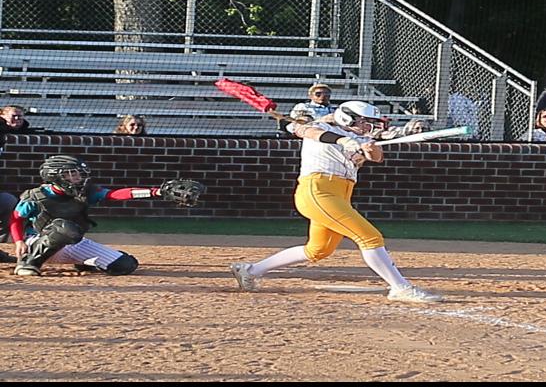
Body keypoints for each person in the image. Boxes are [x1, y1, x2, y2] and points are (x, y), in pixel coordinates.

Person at [227, 100, 443, 304]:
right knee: (369, 237)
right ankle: (400, 287)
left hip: (340, 194)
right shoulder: (321, 127)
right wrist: (343, 141)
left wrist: (368, 148)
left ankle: (250, 270)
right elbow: (310, 132)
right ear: (348, 119)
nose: (369, 127)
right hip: (318, 191)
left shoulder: (358, 137)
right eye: (364, 123)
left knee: (318, 250)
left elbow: (376, 157)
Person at [5, 155, 197, 276]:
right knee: (65, 228)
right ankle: (30, 264)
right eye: (71, 174)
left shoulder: (84, 191)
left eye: (78, 174)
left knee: (124, 265)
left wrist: (154, 192)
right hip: (36, 243)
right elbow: (17, 217)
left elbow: (114, 194)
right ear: (55, 176)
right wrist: (19, 241)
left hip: (73, 242)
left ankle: (83, 262)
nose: (77, 178)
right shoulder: (36, 195)